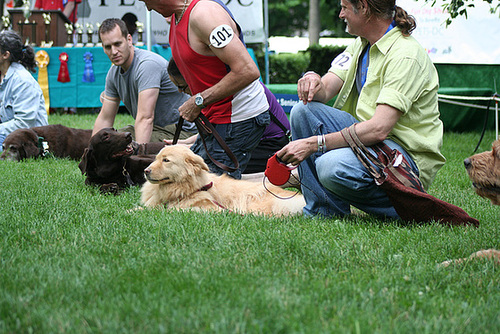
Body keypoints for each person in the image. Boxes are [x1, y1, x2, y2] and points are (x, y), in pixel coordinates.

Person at [277, 0, 446, 219]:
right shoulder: (361, 43)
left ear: (364, 8)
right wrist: (312, 78)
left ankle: (409, 206)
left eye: (345, 7)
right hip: (371, 144)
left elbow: (378, 129)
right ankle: (324, 211)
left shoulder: (406, 55)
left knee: (331, 166)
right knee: (302, 110)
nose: (340, 14)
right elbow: (325, 90)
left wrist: (313, 144)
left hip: (402, 159)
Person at [139, 0, 270, 179]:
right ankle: (281, 179)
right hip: (215, 120)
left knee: (206, 191)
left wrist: (198, 101)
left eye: (147, 1)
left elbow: (247, 70)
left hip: (238, 117)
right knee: (189, 181)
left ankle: (284, 180)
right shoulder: (178, 17)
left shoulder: (204, 15)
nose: (148, 8)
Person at [166, 58, 291, 174]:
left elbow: (229, 134)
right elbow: (219, 130)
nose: (180, 91)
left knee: (208, 171)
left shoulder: (225, 91)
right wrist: (188, 142)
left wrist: (192, 148)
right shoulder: (216, 87)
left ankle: (283, 177)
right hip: (252, 140)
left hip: (270, 146)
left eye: (181, 87)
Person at [94, 18, 196, 144]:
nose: (114, 51)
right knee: (112, 138)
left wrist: (140, 158)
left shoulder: (147, 65)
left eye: (118, 44)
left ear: (129, 40)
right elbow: (105, 118)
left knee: (120, 143)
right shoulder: (113, 73)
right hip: (156, 130)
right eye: (108, 47)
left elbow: (146, 118)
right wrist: (91, 151)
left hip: (182, 132)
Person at [0, 30, 48, 150]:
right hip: (7, 134)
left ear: (5, 55)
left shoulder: (22, 81)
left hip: (29, 140)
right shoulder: (3, 75)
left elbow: (23, 124)